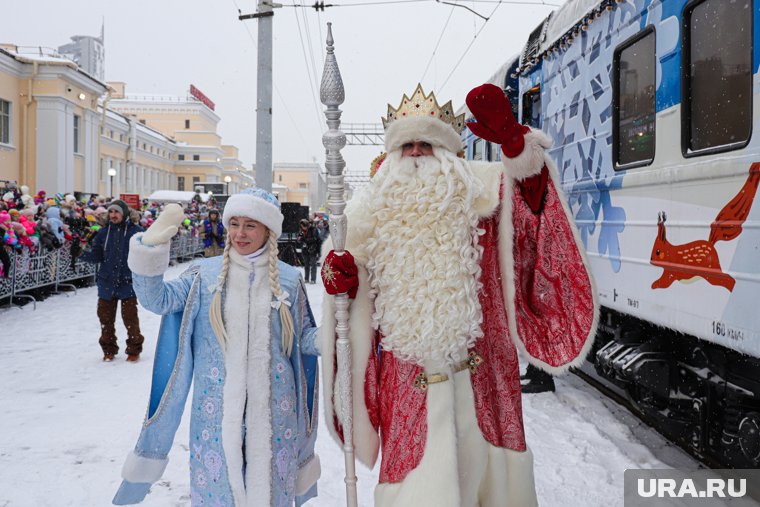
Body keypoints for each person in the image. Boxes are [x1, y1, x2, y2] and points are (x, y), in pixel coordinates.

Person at [319, 84, 598, 506]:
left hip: (482, 373)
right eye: (408, 145)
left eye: (427, 144)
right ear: (393, 154)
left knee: (487, 485)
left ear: (449, 152)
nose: (416, 153)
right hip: (406, 382)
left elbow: (532, 214)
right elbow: (350, 283)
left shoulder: (484, 194)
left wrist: (518, 150)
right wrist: (341, 277)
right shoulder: (368, 210)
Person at [112, 188, 321, 507]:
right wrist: (150, 250)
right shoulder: (203, 275)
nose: (239, 233)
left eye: (250, 225)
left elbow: (304, 340)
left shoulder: (290, 280)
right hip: (215, 414)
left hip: (276, 415)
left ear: (268, 230)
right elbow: (158, 300)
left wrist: (339, 331)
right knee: (219, 494)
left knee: (271, 491)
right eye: (234, 223)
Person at [81, 199, 145, 362]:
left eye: (116, 212)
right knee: (105, 318)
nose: (113, 215)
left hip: (127, 281)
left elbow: (145, 253)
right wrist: (80, 253)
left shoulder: (136, 232)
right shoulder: (103, 233)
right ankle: (108, 349)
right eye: (111, 212)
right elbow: (96, 256)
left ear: (123, 213)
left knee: (130, 318)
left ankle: (134, 349)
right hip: (107, 281)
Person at [297, 218, 322, 284]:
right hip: (305, 250)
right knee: (306, 265)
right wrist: (299, 239)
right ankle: (306, 279)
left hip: (312, 249)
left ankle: (313, 279)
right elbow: (299, 239)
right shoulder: (301, 230)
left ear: (306, 225)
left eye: (303, 226)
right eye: (301, 227)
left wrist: (304, 240)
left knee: (313, 265)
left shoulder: (313, 229)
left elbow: (315, 239)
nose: (303, 228)